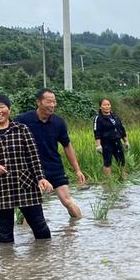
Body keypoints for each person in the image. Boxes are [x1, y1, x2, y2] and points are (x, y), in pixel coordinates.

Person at [0, 93, 53, 243]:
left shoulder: (22, 129)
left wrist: (41, 178)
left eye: (2, 107)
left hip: (25, 184)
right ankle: (7, 264)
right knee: (4, 232)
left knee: (39, 226)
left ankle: (45, 260)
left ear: (9, 109)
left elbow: (33, 157)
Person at [14, 88, 86, 218]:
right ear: (38, 102)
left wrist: (77, 170)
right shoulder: (22, 120)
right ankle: (29, 237)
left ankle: (79, 228)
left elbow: (67, 146)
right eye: (49, 102)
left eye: (54, 102)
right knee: (32, 207)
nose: (52, 105)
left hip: (54, 167)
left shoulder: (58, 122)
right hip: (31, 170)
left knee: (67, 201)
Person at [93, 98, 129, 180]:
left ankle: (124, 179)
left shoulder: (115, 117)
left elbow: (121, 129)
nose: (107, 106)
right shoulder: (98, 119)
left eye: (108, 104)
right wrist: (98, 145)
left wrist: (126, 141)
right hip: (106, 143)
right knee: (107, 162)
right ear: (100, 107)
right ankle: (108, 181)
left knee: (122, 161)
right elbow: (97, 132)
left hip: (117, 141)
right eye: (104, 105)